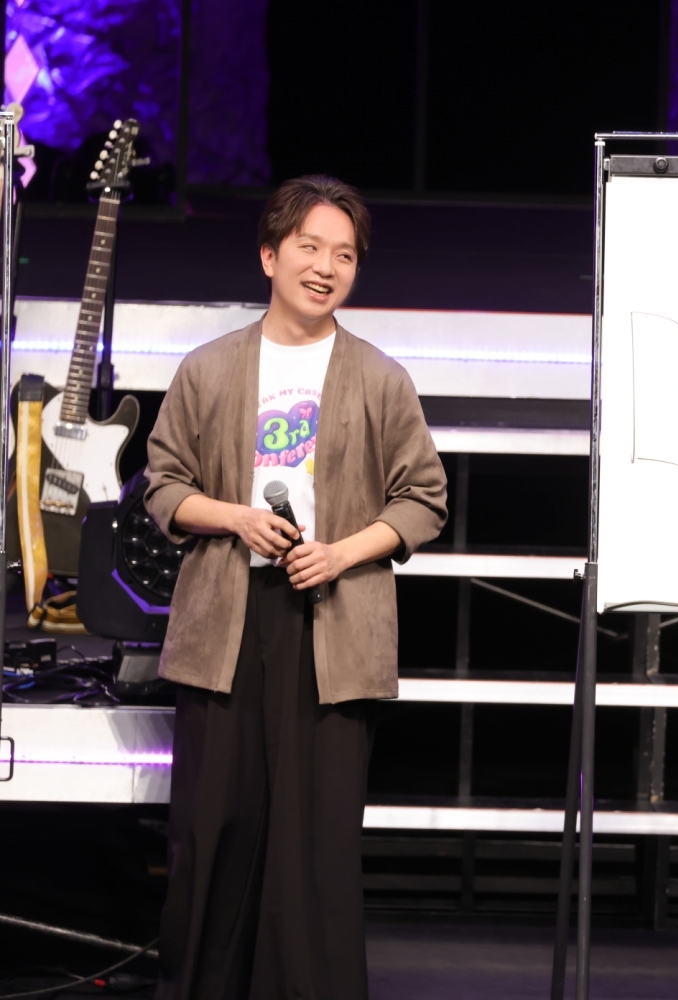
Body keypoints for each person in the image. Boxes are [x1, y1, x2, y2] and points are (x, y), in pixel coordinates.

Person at [146, 175, 448, 1000]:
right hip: (226, 624)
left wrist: (342, 553)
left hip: (332, 627)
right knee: (212, 834)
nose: (326, 267)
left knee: (315, 851)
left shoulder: (379, 377)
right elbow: (163, 486)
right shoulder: (210, 368)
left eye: (344, 255)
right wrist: (236, 519)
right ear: (269, 256)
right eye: (310, 247)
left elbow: (423, 499)